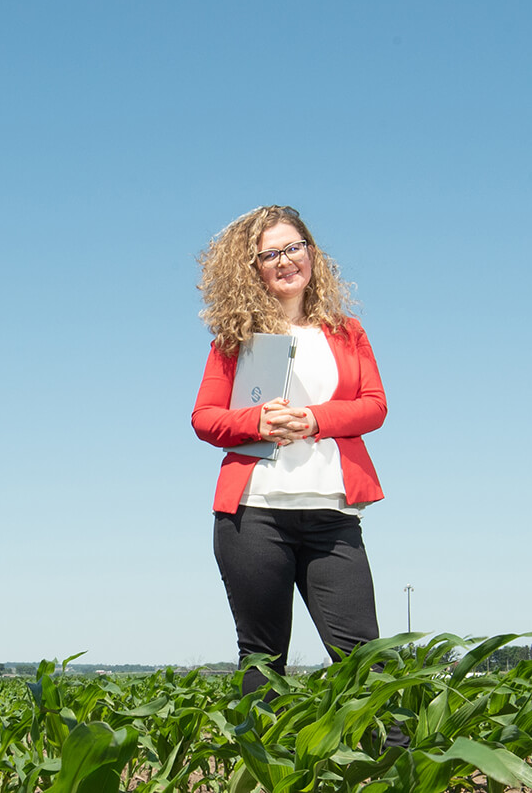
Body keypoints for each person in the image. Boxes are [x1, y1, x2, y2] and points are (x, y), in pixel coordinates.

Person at [190, 205, 388, 696]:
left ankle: (391, 767)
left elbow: (374, 406)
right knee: (262, 658)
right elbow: (205, 418)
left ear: (312, 254)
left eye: (293, 248)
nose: (284, 261)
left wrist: (316, 418)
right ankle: (264, 773)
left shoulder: (347, 332)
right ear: (252, 268)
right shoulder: (235, 341)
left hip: (331, 514)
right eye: (269, 254)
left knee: (365, 660)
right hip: (253, 515)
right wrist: (255, 421)